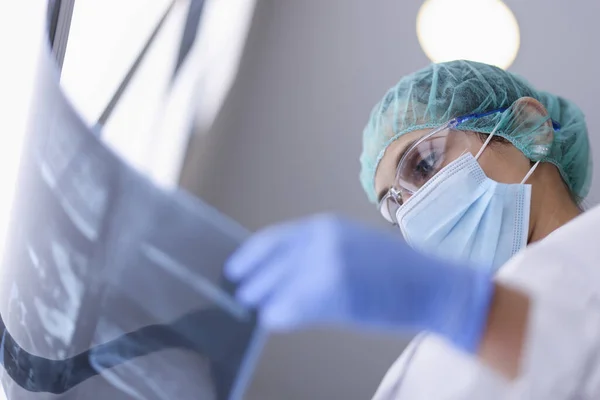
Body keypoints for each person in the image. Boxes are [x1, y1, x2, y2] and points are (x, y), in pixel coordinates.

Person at [225, 60, 600, 399]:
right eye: (394, 203)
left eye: (423, 165)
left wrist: (469, 310)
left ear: (530, 127)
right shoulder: (441, 351)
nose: (412, 211)